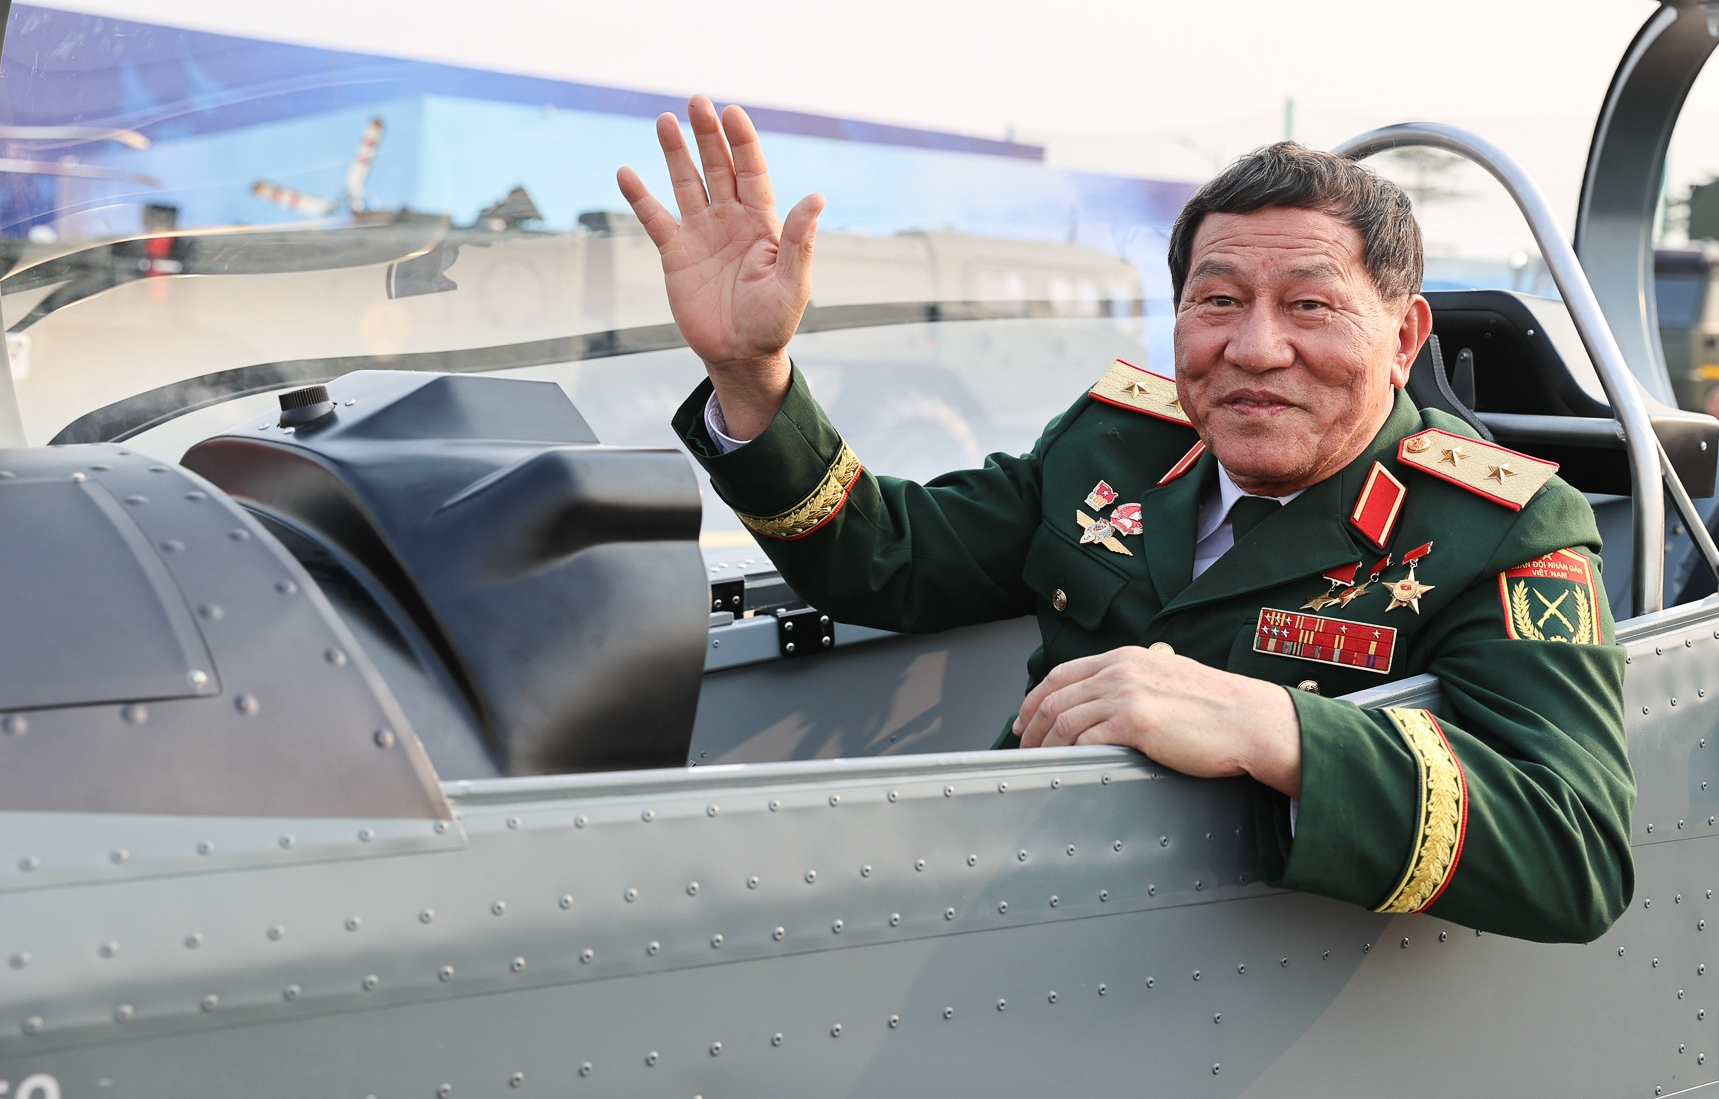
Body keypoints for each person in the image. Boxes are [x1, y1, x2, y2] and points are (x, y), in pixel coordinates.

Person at [617, 97, 1633, 943]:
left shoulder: (1503, 530)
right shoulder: (1117, 444)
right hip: (1002, 906)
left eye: (1310, 306)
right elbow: (883, 561)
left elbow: (1575, 847)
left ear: (1404, 335)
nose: (1256, 346)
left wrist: (1275, 728)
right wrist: (749, 373)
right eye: (1218, 299)